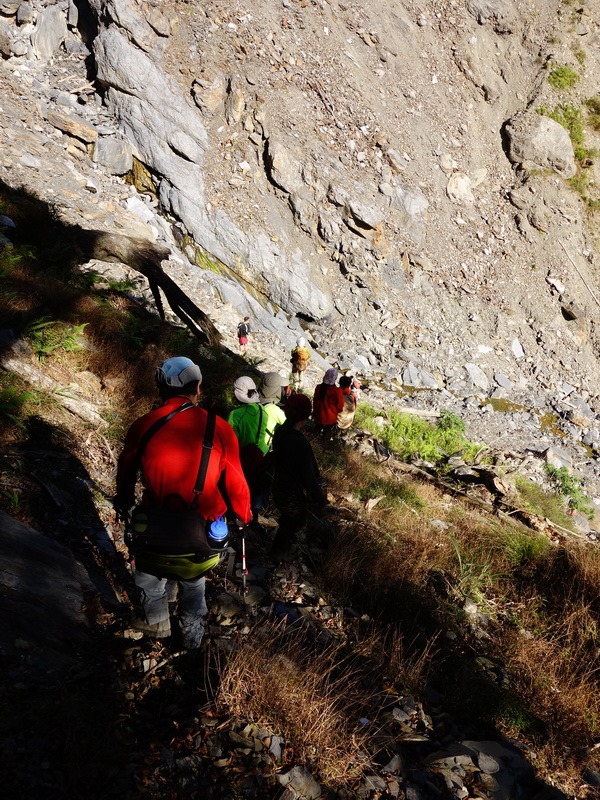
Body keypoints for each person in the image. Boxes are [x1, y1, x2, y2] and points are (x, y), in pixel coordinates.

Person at [115, 357, 251, 649]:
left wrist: (124, 503)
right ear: (198, 387)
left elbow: (125, 473)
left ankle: (158, 625)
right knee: (194, 581)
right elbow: (237, 484)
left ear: (161, 385)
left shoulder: (144, 425)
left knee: (150, 578)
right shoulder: (220, 428)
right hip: (200, 538)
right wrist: (244, 516)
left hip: (153, 531)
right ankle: (191, 636)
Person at [270, 393, 327, 561]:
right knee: (295, 520)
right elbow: (308, 476)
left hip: (278, 484)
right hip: (292, 491)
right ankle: (279, 552)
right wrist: (320, 500)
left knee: (288, 518)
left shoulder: (280, 432)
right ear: (306, 415)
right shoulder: (299, 442)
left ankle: (279, 548)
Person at [227, 375, 282, 526]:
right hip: (260, 455)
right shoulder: (262, 410)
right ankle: (252, 514)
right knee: (255, 485)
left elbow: (229, 439)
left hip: (241, 457)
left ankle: (235, 514)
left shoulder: (235, 414)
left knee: (238, 486)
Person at [312, 368, 345, 439]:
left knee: (317, 429)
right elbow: (340, 406)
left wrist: (315, 412)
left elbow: (315, 401)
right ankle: (323, 446)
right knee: (327, 432)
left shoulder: (318, 387)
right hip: (331, 418)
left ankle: (312, 443)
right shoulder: (337, 391)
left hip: (319, 415)